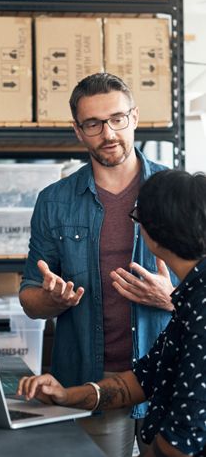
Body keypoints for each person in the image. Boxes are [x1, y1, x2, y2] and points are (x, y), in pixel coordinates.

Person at [19, 72, 178, 457]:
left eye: (117, 119)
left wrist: (172, 297)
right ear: (78, 131)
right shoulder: (54, 201)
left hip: (172, 376)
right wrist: (51, 300)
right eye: (94, 123)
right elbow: (29, 298)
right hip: (90, 381)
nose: (108, 133)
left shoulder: (177, 192)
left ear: (134, 117)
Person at [18, 169, 206, 457]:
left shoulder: (199, 309)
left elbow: (183, 439)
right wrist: (67, 395)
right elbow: (141, 379)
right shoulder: (190, 299)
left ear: (152, 234)